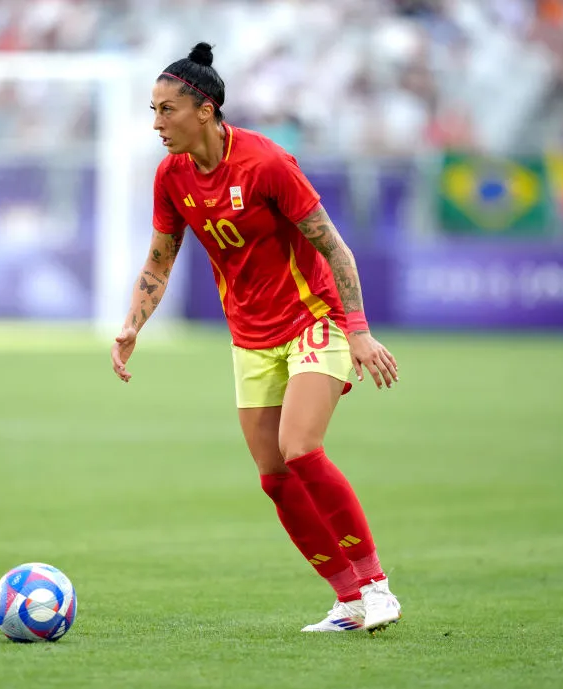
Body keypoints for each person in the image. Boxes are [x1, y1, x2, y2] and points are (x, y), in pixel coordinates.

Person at [110, 42, 402, 633]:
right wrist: (131, 324)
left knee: (301, 449)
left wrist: (360, 332)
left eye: (167, 110)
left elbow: (332, 245)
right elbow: (159, 262)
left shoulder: (267, 163)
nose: (157, 123)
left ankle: (378, 587)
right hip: (250, 337)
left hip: (312, 319)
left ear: (206, 110)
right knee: (274, 476)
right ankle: (346, 598)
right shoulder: (171, 177)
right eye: (153, 110)